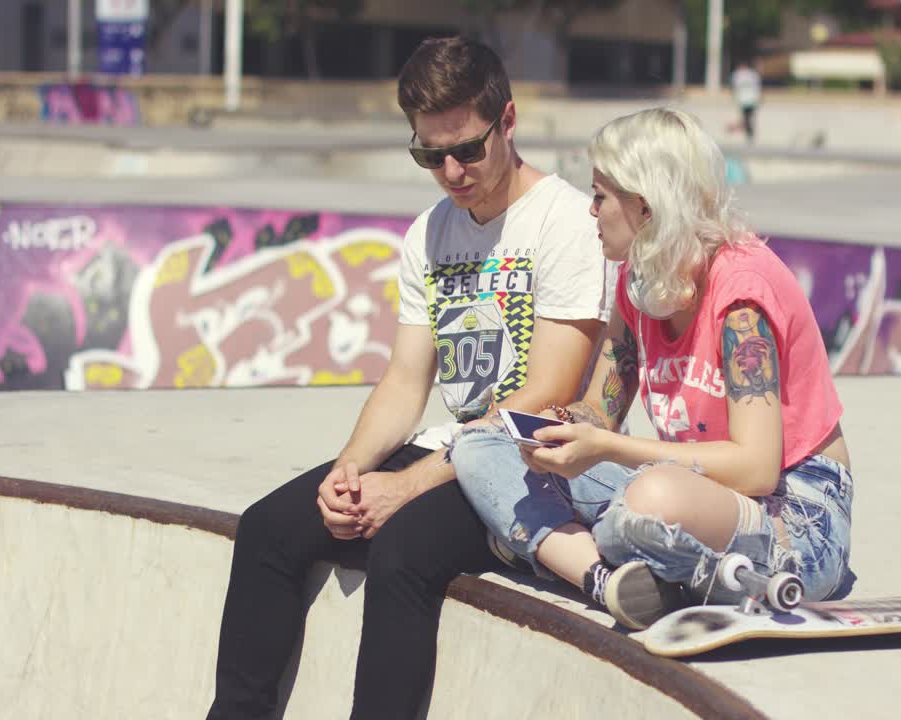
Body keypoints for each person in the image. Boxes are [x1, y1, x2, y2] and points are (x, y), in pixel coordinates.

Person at [206, 37, 612, 719]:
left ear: (507, 122)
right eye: (429, 155)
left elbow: (546, 393)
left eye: (467, 150)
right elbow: (404, 378)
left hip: (531, 461)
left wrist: (408, 487)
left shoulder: (566, 222)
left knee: (400, 552)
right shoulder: (430, 233)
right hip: (451, 445)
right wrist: (351, 469)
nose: (451, 171)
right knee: (269, 529)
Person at [451, 108, 855, 631]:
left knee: (644, 505)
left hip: (795, 517)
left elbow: (757, 468)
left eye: (600, 196)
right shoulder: (637, 283)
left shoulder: (741, 295)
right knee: (480, 447)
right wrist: (562, 428)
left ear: (643, 206)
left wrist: (610, 450)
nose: (591, 211)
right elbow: (601, 409)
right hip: (692, 495)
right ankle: (606, 578)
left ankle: (564, 549)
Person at [730, 59, 762, 143]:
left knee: (747, 118)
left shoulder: (739, 74)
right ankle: (748, 134)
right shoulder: (749, 74)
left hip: (748, 99)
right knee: (747, 118)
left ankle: (747, 133)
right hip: (746, 99)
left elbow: (734, 87)